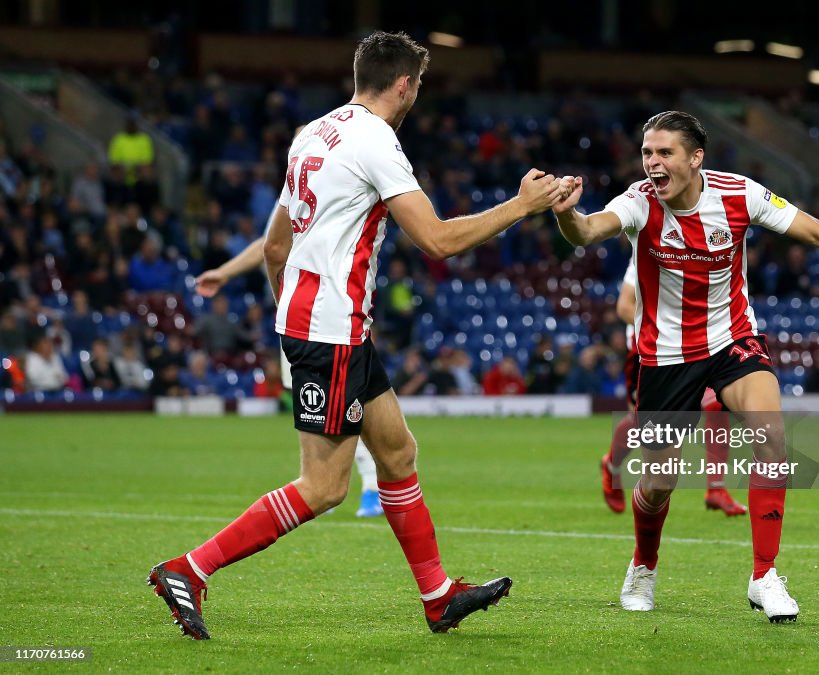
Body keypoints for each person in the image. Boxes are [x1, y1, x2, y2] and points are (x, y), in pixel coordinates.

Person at [148, 31, 565, 639]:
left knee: (397, 452)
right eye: (417, 85)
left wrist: (290, 314)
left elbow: (274, 245)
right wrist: (521, 206)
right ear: (404, 84)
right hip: (331, 330)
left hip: (328, 324)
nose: (417, 94)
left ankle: (437, 596)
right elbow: (439, 241)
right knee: (324, 486)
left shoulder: (312, 134)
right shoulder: (376, 141)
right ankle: (191, 568)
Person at [552, 111, 819, 622]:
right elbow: (588, 231)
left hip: (733, 340)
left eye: (664, 153)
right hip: (664, 355)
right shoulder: (640, 201)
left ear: (695, 158)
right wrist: (565, 214)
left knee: (771, 435)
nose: (653, 163)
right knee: (660, 481)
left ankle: (764, 575)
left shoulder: (739, 194)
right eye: (647, 153)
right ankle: (643, 563)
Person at [193, 129, 385, 521]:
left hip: (324, 318)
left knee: (348, 406)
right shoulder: (298, 193)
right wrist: (224, 274)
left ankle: (361, 486)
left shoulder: (334, 192)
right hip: (304, 317)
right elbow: (269, 245)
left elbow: (273, 249)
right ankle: (326, 484)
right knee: (335, 408)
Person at [600, 262, 747, 516]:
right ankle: (611, 465)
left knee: (715, 404)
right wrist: (669, 326)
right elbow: (624, 307)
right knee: (641, 423)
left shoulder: (703, 246)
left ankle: (716, 488)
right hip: (652, 350)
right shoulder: (648, 247)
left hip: (699, 347)